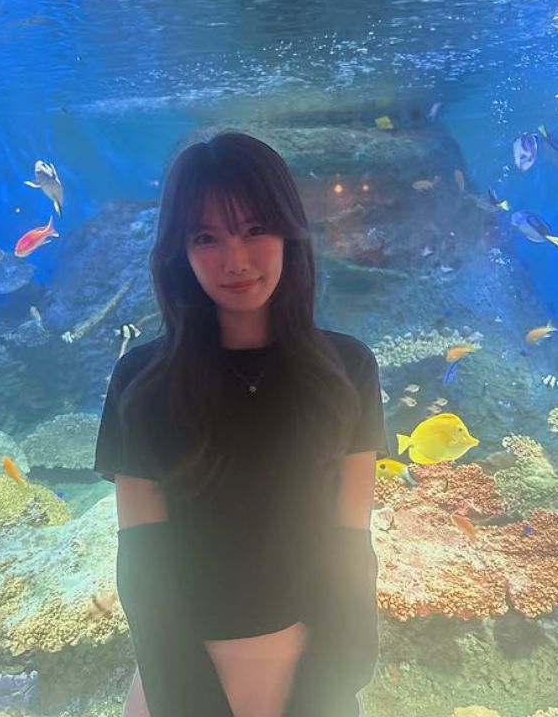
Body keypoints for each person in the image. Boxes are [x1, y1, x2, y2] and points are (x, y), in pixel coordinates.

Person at [94, 131, 388, 717]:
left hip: (311, 668)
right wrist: (186, 696)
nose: (236, 260)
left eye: (255, 229)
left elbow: (351, 540)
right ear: (179, 251)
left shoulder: (349, 368)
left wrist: (335, 675)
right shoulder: (141, 381)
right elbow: (143, 564)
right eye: (206, 237)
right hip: (181, 676)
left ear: (289, 233)